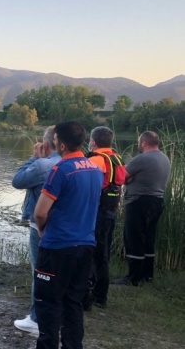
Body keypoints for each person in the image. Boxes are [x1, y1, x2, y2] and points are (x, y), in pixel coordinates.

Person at [33, 121, 102, 349]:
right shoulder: (94, 167)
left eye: (54, 140)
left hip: (57, 247)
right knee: (73, 302)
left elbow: (40, 213)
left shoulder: (60, 169)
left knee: (48, 303)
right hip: (85, 245)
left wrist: (43, 232)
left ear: (60, 144)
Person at [11, 126, 59, 335]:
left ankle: (36, 319)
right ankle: (56, 316)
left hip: (40, 227)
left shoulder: (44, 165)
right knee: (58, 273)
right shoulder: (72, 163)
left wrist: (34, 158)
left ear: (46, 144)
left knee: (39, 272)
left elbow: (17, 181)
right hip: (65, 228)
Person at [112, 131, 171, 286]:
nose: (138, 144)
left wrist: (130, 178)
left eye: (139, 141)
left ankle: (133, 278)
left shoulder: (142, 159)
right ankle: (147, 274)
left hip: (139, 202)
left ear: (144, 142)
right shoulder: (164, 158)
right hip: (157, 201)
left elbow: (121, 177)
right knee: (148, 238)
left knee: (134, 238)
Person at [84, 126, 125, 308]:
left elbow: (85, 183)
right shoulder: (116, 158)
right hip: (110, 211)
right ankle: (101, 295)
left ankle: (92, 294)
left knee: (93, 254)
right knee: (104, 254)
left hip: (97, 212)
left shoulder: (97, 160)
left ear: (93, 142)